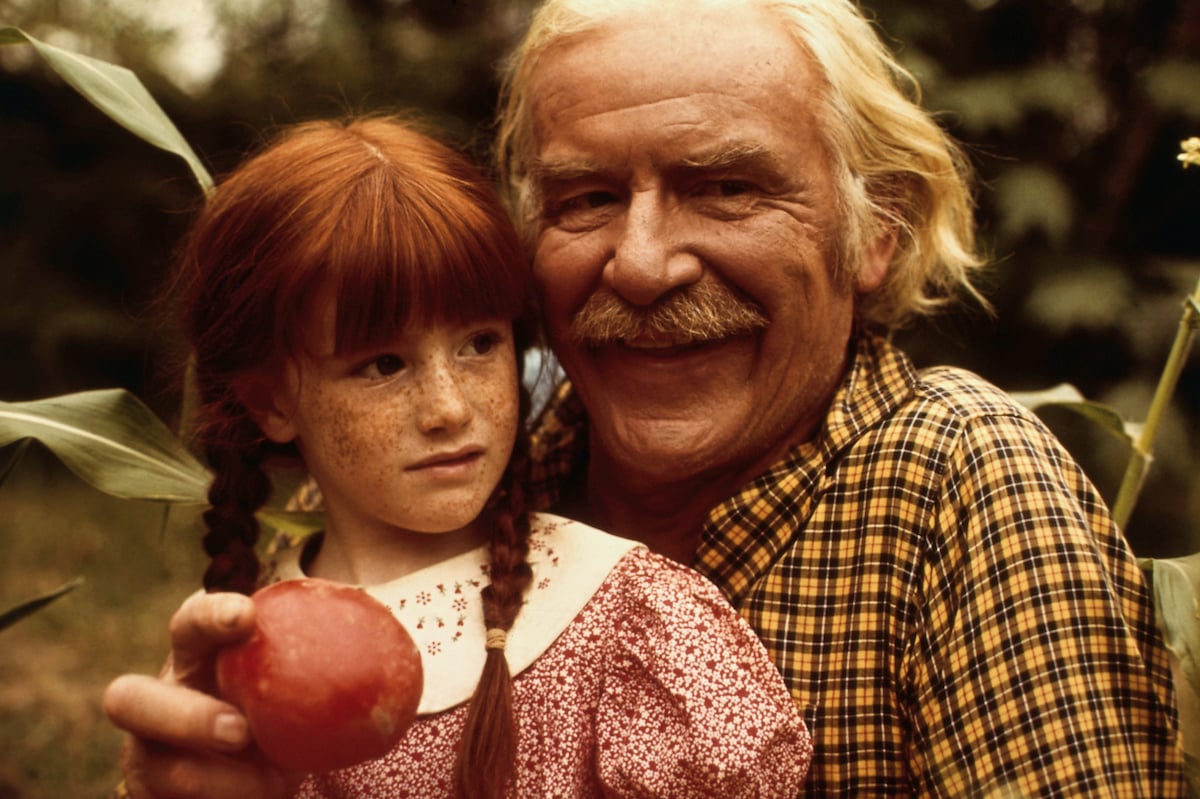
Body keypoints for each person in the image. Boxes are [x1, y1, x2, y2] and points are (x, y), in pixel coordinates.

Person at [104, 0, 1187, 796]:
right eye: (587, 198)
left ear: (877, 230)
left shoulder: (962, 480)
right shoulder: (485, 481)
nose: (642, 263)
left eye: (727, 187)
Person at [102, 114, 812, 798]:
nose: (449, 408)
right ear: (270, 401)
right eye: (382, 364)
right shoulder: (232, 661)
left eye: (479, 343)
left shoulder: (631, 616)